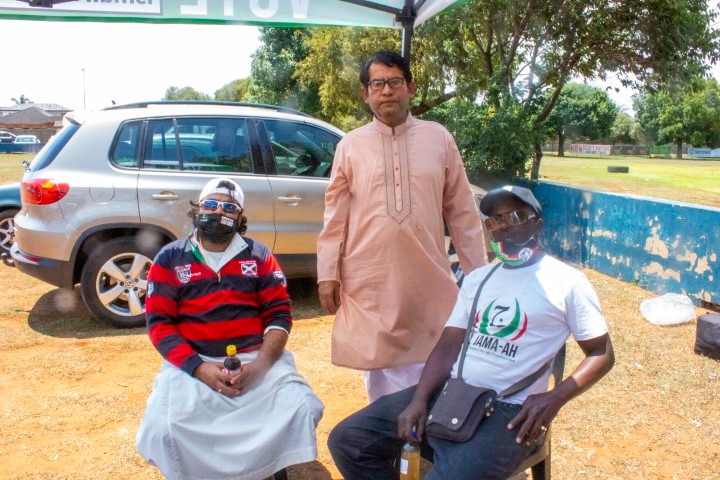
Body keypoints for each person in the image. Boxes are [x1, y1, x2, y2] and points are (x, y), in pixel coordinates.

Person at [327, 185, 615, 479]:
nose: (504, 226)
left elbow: (601, 353)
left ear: (537, 225)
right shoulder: (478, 279)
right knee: (348, 441)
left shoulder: (566, 282)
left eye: (515, 216)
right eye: (495, 220)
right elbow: (447, 346)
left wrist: (555, 397)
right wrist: (420, 398)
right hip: (454, 394)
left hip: (510, 409)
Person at [316, 51, 487, 403]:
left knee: (435, 354)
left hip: (428, 275)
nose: (387, 91)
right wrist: (327, 274)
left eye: (395, 82)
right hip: (370, 278)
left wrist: (479, 276)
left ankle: (426, 424)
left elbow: (462, 212)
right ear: (366, 93)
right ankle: (387, 429)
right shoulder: (350, 146)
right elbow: (335, 217)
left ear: (410, 88)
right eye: (377, 84)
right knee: (380, 369)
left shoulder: (438, 138)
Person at [136, 178, 324, 480]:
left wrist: (261, 365)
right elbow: (160, 324)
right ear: (198, 210)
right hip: (195, 361)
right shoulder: (170, 258)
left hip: (255, 357)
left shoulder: (259, 255)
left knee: (302, 407)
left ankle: (265, 468)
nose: (218, 211)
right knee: (164, 428)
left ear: (240, 217)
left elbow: (279, 314)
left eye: (229, 207)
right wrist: (199, 369)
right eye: (210, 204)